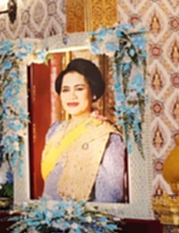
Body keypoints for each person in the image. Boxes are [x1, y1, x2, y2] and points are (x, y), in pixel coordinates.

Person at [40, 58, 126, 202]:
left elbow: (111, 196)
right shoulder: (54, 131)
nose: (71, 96)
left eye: (79, 89)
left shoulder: (106, 135)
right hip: (47, 216)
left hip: (85, 220)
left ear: (93, 93)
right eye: (65, 90)